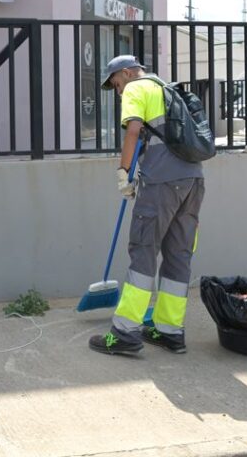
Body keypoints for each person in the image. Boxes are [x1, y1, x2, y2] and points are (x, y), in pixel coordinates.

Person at [88, 55, 205, 357]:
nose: (117, 92)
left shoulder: (136, 89)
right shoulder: (166, 89)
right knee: (178, 254)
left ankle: (125, 333)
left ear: (127, 74)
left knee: (143, 251)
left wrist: (124, 173)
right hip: (192, 180)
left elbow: (133, 131)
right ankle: (170, 331)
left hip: (161, 184)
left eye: (116, 84)